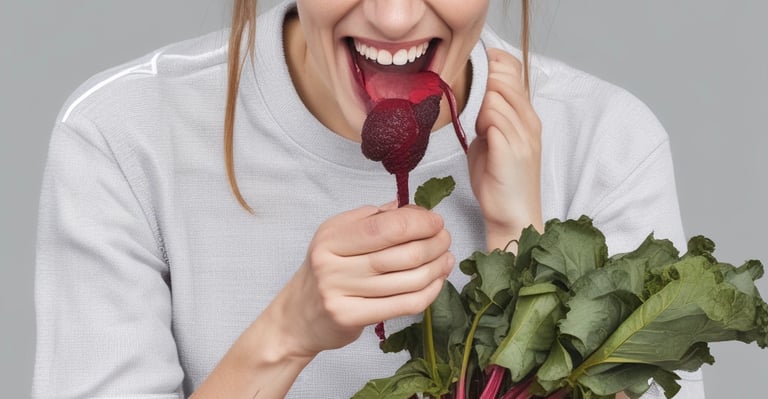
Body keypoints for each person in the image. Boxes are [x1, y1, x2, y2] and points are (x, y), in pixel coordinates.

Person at [32, 0, 706, 398]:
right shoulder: (123, 137)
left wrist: (524, 246)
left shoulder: (608, 145)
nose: (393, 17)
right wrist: (285, 333)